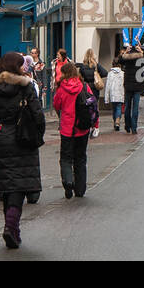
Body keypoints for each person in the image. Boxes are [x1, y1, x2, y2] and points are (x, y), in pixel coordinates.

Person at [0, 52, 44, 249]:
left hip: (0, 139)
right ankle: (10, 226)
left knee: (6, 183)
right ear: (17, 66)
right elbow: (37, 113)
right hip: (23, 138)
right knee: (19, 184)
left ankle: (12, 229)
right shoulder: (25, 87)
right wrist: (37, 133)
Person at [52, 61, 92, 198]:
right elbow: (92, 105)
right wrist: (95, 124)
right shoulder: (84, 86)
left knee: (66, 158)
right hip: (82, 129)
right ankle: (80, 189)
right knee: (80, 158)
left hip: (67, 130)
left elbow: (56, 104)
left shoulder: (62, 88)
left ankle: (68, 181)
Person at [121, 44, 144, 134]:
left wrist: (125, 52)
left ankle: (127, 125)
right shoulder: (141, 59)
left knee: (127, 106)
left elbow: (120, 60)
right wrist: (142, 52)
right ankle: (134, 127)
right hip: (138, 86)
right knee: (135, 107)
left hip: (128, 86)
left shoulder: (126, 59)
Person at [105, 57, 125, 130]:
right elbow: (124, 85)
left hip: (112, 94)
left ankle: (115, 121)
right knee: (119, 107)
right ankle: (117, 121)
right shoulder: (123, 73)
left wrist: (106, 98)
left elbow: (107, 86)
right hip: (120, 93)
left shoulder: (110, 74)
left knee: (114, 109)